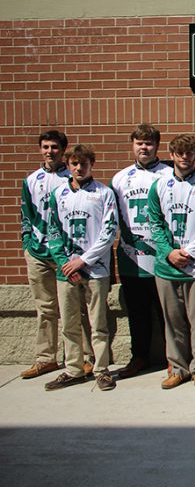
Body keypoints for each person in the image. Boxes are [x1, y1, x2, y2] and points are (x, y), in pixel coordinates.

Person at [148, 134, 195, 390]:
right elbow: (155, 223)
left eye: (189, 153)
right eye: (179, 152)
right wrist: (169, 252)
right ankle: (178, 368)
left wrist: (189, 252)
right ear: (171, 155)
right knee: (173, 321)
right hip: (167, 265)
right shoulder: (159, 185)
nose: (184, 157)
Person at [44, 145, 119, 391]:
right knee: (69, 322)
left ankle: (101, 369)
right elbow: (52, 231)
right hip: (66, 270)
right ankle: (74, 369)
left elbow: (108, 232)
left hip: (95, 268)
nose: (79, 168)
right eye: (74, 164)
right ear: (68, 165)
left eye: (83, 163)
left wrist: (83, 260)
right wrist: (66, 262)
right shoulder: (58, 195)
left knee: (98, 323)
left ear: (91, 165)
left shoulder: (104, 193)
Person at [110, 124, 173, 379]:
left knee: (168, 312)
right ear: (133, 146)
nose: (144, 147)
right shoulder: (120, 178)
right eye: (139, 143)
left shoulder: (168, 174)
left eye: (148, 143)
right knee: (137, 312)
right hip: (131, 256)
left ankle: (174, 358)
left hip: (162, 257)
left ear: (157, 146)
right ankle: (140, 357)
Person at [19, 130, 72, 379]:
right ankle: (45, 358)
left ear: (63, 150)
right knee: (45, 308)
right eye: (45, 147)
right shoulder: (31, 180)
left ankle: (80, 357)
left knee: (73, 308)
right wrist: (27, 243)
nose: (49, 151)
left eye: (54, 147)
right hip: (38, 252)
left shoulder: (72, 177)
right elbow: (26, 215)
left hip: (66, 254)